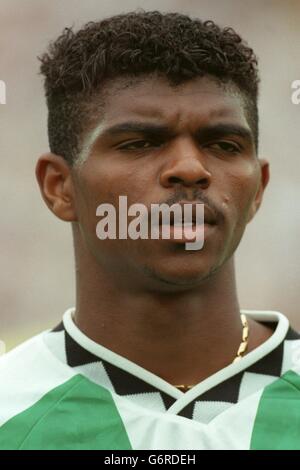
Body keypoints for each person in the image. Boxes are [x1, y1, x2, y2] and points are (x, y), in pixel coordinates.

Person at [0, 10, 299, 450]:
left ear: (258, 188)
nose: (191, 169)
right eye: (139, 143)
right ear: (59, 187)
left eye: (223, 145)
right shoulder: (10, 410)